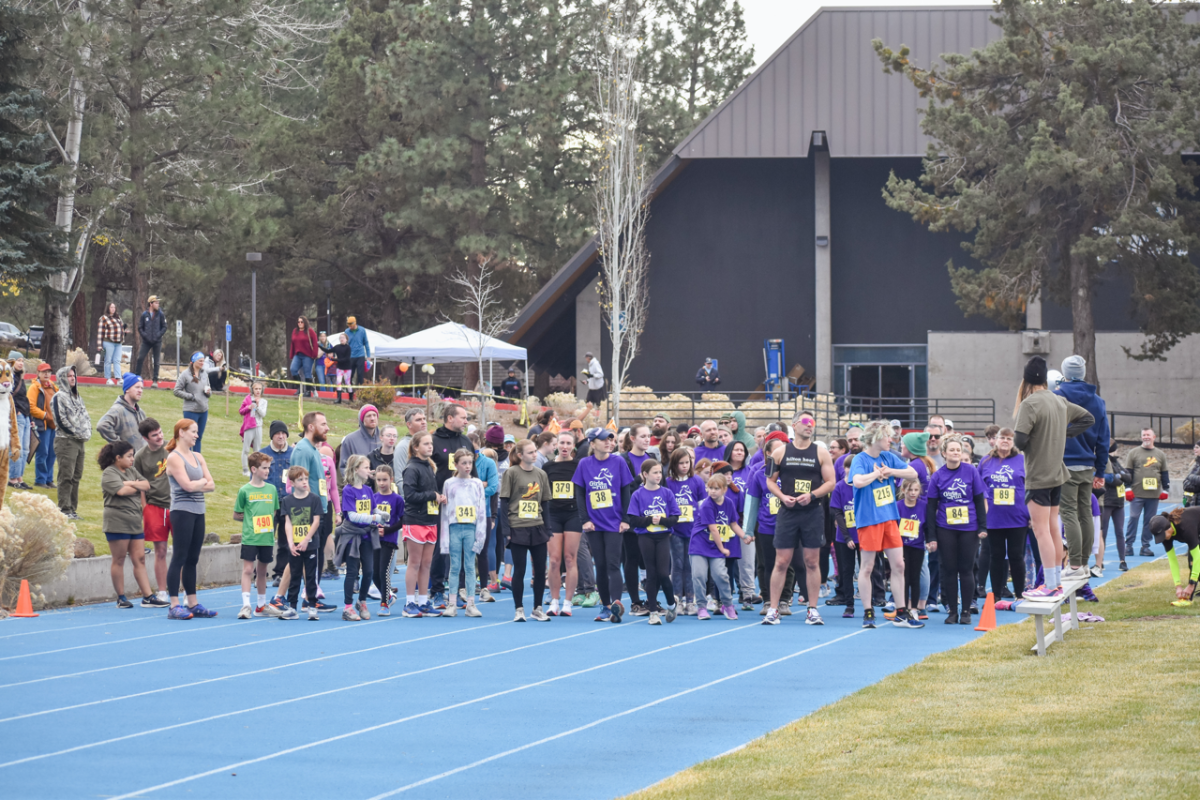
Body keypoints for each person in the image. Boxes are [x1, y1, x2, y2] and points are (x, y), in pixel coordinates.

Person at [1013, 356, 1095, 599]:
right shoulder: (1059, 400)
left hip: (1039, 475)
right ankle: (1056, 580)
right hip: (1058, 474)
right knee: (1053, 529)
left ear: (1027, 379)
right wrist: (1064, 434)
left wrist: (1041, 438)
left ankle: (1050, 584)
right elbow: (1088, 419)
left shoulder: (1029, 404)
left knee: (1041, 531)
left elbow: (1019, 441)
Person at [848, 420, 923, 629]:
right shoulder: (860, 459)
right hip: (869, 520)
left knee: (899, 564)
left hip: (889, 517)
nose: (891, 440)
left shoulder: (889, 457)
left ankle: (901, 611)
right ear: (875, 438)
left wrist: (890, 471)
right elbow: (858, 481)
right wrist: (877, 474)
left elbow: (913, 473)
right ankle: (868, 611)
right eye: (887, 436)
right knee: (868, 567)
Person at [765, 412, 836, 626]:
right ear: (794, 426)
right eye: (805, 422)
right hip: (787, 512)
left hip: (812, 512)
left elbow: (831, 482)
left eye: (812, 423)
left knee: (812, 562)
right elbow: (769, 481)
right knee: (782, 562)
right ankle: (773, 609)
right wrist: (782, 496)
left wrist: (812, 495)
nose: (809, 426)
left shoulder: (821, 452)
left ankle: (812, 610)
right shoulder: (779, 452)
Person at [1055, 354, 1110, 580]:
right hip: (1087, 464)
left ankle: (1075, 564)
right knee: (1085, 512)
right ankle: (1085, 562)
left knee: (1069, 513)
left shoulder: (1056, 397)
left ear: (1065, 373)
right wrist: (1100, 470)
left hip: (1064, 463)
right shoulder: (1097, 401)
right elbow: (1103, 439)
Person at [925, 435, 988, 625]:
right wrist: (931, 536)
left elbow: (979, 499)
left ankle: (967, 610)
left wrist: (982, 527)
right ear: (944, 453)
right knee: (949, 569)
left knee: (967, 569)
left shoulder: (970, 471)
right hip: (945, 528)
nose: (955, 453)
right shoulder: (937, 476)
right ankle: (952, 610)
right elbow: (930, 507)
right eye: (952, 450)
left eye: (958, 450)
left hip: (969, 528)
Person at [573, 427, 634, 622]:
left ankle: (616, 604)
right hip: (594, 524)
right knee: (600, 565)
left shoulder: (619, 462)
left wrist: (626, 519)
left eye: (611, 439)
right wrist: (585, 520)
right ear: (592, 443)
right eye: (604, 440)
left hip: (615, 523)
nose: (609, 442)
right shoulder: (584, 464)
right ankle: (605, 606)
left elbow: (626, 491)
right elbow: (580, 494)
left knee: (613, 564)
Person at [97, 440, 165, 608]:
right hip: (117, 520)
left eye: (132, 455)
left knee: (140, 558)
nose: (132, 459)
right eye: (129, 456)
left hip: (135, 520)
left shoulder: (131, 470)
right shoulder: (109, 473)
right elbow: (121, 491)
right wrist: (134, 485)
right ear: (117, 457)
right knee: (119, 558)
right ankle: (121, 597)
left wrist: (130, 483)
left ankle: (148, 596)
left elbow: (147, 485)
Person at [165, 419, 217, 619]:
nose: (197, 435)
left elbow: (211, 485)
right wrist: (202, 481)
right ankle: (174, 604)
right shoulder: (174, 458)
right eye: (193, 432)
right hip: (182, 511)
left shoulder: (198, 456)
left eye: (197, 432)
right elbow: (186, 486)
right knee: (180, 556)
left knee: (193, 558)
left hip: (198, 510)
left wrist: (200, 483)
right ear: (181, 433)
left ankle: (192, 602)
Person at [498, 439, 552, 622]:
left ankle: (537, 608)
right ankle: (519, 608)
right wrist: (506, 529)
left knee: (539, 571)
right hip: (517, 527)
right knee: (520, 571)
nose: (534, 455)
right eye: (530, 452)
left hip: (537, 527)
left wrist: (547, 527)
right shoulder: (511, 473)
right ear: (520, 455)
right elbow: (504, 501)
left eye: (535, 451)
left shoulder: (541, 474)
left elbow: (545, 503)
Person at [427, 403, 474, 608]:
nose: (466, 421)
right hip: (439, 504)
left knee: (464, 547)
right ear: (449, 418)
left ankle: (459, 590)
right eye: (463, 417)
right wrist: (434, 495)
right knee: (440, 547)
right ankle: (437, 590)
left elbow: (473, 473)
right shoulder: (434, 442)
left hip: (463, 505)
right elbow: (427, 472)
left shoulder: (466, 442)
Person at [978, 428, 1029, 602]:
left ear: (1013, 442)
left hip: (1017, 516)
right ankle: (996, 595)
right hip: (993, 517)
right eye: (1002, 438)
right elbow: (978, 488)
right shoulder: (985, 461)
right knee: (996, 556)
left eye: (1009, 438)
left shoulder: (1022, 460)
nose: (1005, 441)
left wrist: (1031, 515)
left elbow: (1030, 487)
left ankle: (1020, 593)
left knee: (1016, 556)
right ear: (995, 440)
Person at [627, 459, 681, 624]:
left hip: (663, 536)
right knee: (651, 573)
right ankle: (653, 612)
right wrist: (650, 519)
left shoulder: (666, 493)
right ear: (645, 475)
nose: (659, 475)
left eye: (660, 472)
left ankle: (671, 603)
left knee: (663, 573)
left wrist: (662, 521)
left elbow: (675, 517)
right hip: (645, 536)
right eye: (655, 472)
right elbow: (633, 519)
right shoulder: (637, 494)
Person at [744, 435, 792, 618]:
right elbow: (752, 501)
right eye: (778, 450)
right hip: (765, 526)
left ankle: (784, 600)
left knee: (787, 564)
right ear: (768, 453)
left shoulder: (791, 473)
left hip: (788, 525)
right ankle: (767, 600)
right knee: (766, 564)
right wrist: (748, 529)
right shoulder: (759, 472)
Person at [336, 454, 386, 621]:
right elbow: (352, 516)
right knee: (352, 572)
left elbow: (373, 509)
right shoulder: (349, 490)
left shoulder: (368, 490)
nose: (369, 470)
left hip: (367, 537)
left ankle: (362, 601)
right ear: (356, 470)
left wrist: (381, 514)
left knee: (369, 571)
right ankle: (348, 606)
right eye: (365, 467)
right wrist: (374, 519)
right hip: (352, 537)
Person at [235, 452, 283, 619]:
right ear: (254, 469)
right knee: (248, 569)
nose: (267, 471)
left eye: (269, 468)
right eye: (264, 468)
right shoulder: (244, 490)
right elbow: (237, 514)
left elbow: (274, 511)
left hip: (267, 538)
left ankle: (261, 606)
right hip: (250, 537)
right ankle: (246, 605)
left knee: (262, 571)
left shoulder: (271, 490)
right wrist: (251, 522)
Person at [438, 449, 485, 617]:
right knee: (454, 566)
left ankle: (471, 604)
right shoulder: (449, 483)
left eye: (470, 463)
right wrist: (444, 538)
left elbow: (481, 510)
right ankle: (451, 603)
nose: (467, 466)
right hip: (454, 527)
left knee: (470, 566)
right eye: (463, 463)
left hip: (471, 528)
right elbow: (445, 510)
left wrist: (480, 535)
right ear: (456, 464)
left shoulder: (477, 483)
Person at [288, 412, 333, 587]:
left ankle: (312, 595)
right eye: (323, 424)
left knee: (317, 555)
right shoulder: (302, 450)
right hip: (309, 512)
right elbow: (300, 483)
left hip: (320, 508)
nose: (327, 428)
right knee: (308, 557)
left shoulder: (313, 449)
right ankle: (307, 597)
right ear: (311, 427)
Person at [691, 474, 744, 620]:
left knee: (721, 575)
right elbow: (714, 529)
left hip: (715, 545)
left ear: (725, 489)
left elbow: (733, 523)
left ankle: (727, 605)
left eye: (716, 488)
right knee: (699, 575)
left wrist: (744, 536)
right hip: (700, 544)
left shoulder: (729, 503)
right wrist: (722, 549)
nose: (712, 491)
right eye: (710, 488)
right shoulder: (707, 504)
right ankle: (701, 606)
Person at [401, 431, 442, 617]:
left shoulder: (429, 467)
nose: (430, 446)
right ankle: (409, 602)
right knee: (415, 563)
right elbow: (409, 496)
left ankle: (424, 601)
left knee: (427, 564)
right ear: (415, 447)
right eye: (425, 444)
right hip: (415, 520)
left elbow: (429, 492)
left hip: (430, 520)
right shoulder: (412, 468)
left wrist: (439, 498)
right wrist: (432, 496)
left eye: (431, 443)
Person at [279, 465, 325, 620]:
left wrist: (306, 539)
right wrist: (291, 543)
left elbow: (316, 521)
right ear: (292, 483)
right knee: (295, 575)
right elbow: (288, 523)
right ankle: (292, 606)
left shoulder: (314, 499)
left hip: (310, 544)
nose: (304, 482)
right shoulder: (287, 501)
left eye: (305, 479)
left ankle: (312, 605)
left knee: (311, 576)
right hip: (295, 545)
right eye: (300, 480)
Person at [133, 417, 171, 602]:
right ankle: (162, 591)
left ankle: (184, 592)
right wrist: (145, 508)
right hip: (154, 506)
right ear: (145, 438)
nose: (160, 437)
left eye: (160, 432)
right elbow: (139, 484)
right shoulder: (140, 457)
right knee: (160, 550)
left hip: (177, 505)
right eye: (155, 435)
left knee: (182, 550)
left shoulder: (171, 449)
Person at [544, 431, 581, 616]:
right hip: (553, 514)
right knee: (554, 560)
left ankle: (568, 601)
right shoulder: (548, 466)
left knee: (569, 558)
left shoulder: (579, 465)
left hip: (573, 514)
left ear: (573, 445)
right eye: (562, 443)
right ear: (556, 444)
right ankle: (554, 601)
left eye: (568, 443)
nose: (565, 446)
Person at [666, 447, 705, 615]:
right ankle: (677, 600)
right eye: (681, 463)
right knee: (677, 565)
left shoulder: (696, 481)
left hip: (693, 529)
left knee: (690, 566)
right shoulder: (668, 482)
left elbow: (703, 504)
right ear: (674, 464)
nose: (684, 466)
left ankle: (691, 600)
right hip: (675, 530)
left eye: (687, 463)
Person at [51, 365, 91, 519]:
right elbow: (60, 420)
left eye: (74, 375)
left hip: (80, 442)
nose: (73, 378)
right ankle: (64, 509)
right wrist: (75, 433)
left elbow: (85, 417)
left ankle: (72, 509)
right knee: (66, 476)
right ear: (62, 378)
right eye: (69, 376)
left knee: (76, 476)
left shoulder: (77, 397)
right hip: (66, 441)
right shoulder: (59, 397)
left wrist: (87, 432)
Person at [1124, 428, 1170, 558]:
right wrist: (1127, 488)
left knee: (1150, 521)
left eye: (1148, 435)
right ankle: (1128, 545)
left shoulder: (1160, 454)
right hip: (1136, 494)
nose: (1146, 437)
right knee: (1133, 518)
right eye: (1143, 435)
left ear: (1154, 437)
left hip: (1153, 495)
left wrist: (1166, 489)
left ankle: (1145, 546)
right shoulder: (1133, 453)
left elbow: (1164, 473)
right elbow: (1128, 472)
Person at [371, 464, 404, 614]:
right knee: (374, 573)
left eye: (385, 479)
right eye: (379, 480)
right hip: (374, 540)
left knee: (384, 571)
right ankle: (388, 595)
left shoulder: (397, 499)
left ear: (391, 479)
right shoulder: (373, 498)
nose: (382, 483)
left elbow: (403, 520)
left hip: (389, 540)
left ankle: (384, 603)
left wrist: (387, 530)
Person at [1149, 510, 1200, 606]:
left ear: (1168, 528)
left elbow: (1197, 557)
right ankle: (1188, 598)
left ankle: (1190, 593)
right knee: (1193, 566)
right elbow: (1172, 560)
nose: (1162, 538)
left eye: (1162, 535)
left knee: (1194, 562)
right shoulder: (1166, 536)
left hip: (1194, 528)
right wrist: (1178, 586)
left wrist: (1191, 584)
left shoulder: (1185, 527)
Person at [896, 478, 928, 618]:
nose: (913, 493)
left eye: (916, 490)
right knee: (904, 577)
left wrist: (930, 540)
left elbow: (928, 525)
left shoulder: (923, 506)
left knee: (915, 578)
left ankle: (914, 609)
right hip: (901, 547)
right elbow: (893, 527)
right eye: (910, 490)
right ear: (903, 491)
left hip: (917, 546)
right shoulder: (897, 506)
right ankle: (903, 608)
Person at [1103, 441, 1133, 571]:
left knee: (1120, 532)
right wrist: (1120, 476)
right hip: (1107, 502)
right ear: (1112, 450)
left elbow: (1129, 477)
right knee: (1102, 532)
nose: (1118, 452)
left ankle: (1122, 560)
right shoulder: (1104, 461)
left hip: (1119, 503)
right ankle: (1100, 561)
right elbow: (1112, 480)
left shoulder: (1116, 462)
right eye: (1116, 450)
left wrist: (1120, 475)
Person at [173, 352, 212, 452]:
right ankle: (187, 459)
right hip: (191, 410)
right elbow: (176, 391)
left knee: (198, 437)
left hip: (203, 410)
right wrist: (191, 396)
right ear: (194, 361)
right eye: (200, 361)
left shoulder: (204, 374)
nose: (202, 363)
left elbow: (209, 390)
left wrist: (208, 392)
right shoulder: (185, 374)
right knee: (189, 438)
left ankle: (197, 460)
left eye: (203, 361)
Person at [97, 373, 147, 449]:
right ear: (127, 389)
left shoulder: (141, 412)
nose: (140, 391)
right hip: (127, 459)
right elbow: (102, 425)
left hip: (141, 459)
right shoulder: (118, 410)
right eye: (137, 387)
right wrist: (119, 445)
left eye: (141, 388)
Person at [27, 362, 56, 488]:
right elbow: (30, 407)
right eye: (44, 372)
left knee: (52, 453)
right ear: (38, 373)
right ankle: (40, 480)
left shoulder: (53, 386)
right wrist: (45, 415)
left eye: (48, 372)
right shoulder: (34, 387)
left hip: (53, 425)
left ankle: (49, 479)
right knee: (42, 453)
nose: (46, 374)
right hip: (42, 424)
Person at [7, 352, 30, 491]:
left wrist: (30, 418)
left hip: (26, 416)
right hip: (17, 416)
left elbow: (25, 399)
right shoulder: (9, 378)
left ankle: (20, 477)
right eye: (18, 360)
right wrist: (16, 412)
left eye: (22, 360)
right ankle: (13, 478)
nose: (21, 363)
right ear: (12, 362)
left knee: (26, 449)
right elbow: (8, 396)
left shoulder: (21, 378)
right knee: (16, 447)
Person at [338, 404, 382, 470]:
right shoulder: (350, 440)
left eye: (374, 415)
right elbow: (344, 467)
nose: (372, 418)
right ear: (362, 419)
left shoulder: (385, 438)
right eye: (368, 416)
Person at [134, 295, 166, 384]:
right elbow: (140, 327)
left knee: (156, 361)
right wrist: (145, 336)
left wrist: (158, 335)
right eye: (156, 303)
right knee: (140, 358)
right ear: (151, 304)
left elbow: (164, 327)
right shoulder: (144, 314)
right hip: (146, 341)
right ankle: (137, 378)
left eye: (158, 303)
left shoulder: (160, 314)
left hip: (157, 341)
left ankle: (155, 380)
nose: (158, 304)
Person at [239, 382, 267, 476]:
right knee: (246, 449)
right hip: (249, 426)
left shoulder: (264, 401)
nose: (258, 391)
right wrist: (248, 407)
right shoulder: (248, 399)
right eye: (256, 389)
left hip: (258, 426)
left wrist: (257, 406)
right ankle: (245, 469)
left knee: (257, 450)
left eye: (259, 389)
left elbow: (263, 414)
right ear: (252, 390)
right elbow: (241, 411)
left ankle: (255, 469)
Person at [95, 301, 127, 384]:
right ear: (108, 308)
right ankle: (108, 378)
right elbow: (100, 332)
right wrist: (99, 345)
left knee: (117, 360)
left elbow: (122, 329)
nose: (113, 309)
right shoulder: (104, 318)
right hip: (108, 342)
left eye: (114, 307)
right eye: (111, 307)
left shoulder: (118, 318)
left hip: (118, 342)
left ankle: (118, 378)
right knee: (108, 360)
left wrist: (123, 336)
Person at [289, 315, 319, 396]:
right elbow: (293, 343)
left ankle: (308, 392)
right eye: (298, 322)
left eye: (302, 322)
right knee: (293, 369)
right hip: (298, 355)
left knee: (307, 373)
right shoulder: (295, 331)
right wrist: (291, 354)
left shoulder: (310, 331)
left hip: (308, 356)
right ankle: (300, 389)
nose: (300, 323)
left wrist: (314, 355)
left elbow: (315, 343)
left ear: (305, 323)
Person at [320, 333, 353, 404]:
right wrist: (319, 346)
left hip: (347, 368)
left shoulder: (348, 348)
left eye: (343, 337)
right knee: (338, 382)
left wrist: (336, 360)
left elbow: (347, 358)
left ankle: (351, 399)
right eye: (340, 337)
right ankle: (339, 399)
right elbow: (328, 351)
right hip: (339, 367)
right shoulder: (337, 347)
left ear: (346, 339)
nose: (342, 339)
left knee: (347, 383)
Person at [343, 316, 372, 392]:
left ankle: (360, 391)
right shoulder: (346, 331)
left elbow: (366, 343)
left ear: (355, 323)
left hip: (360, 355)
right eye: (348, 325)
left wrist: (368, 355)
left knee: (360, 374)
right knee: (350, 374)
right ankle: (349, 391)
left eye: (351, 325)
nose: (350, 327)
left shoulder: (362, 330)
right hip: (350, 356)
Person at [395, 408, 427, 475]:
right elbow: (399, 477)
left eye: (424, 419)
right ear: (409, 424)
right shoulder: (403, 446)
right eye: (418, 420)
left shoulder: (428, 444)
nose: (423, 422)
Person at [368, 424, 399, 489]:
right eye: (389, 435)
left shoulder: (400, 456)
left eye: (394, 436)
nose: (392, 438)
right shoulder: (372, 457)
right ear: (381, 437)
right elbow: (367, 481)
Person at [1183, 441, 1200, 509]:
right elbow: (1185, 482)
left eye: (1197, 447)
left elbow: (1189, 478)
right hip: (1192, 500)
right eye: (1194, 447)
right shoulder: (1194, 463)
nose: (1194, 449)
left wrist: (1191, 477)